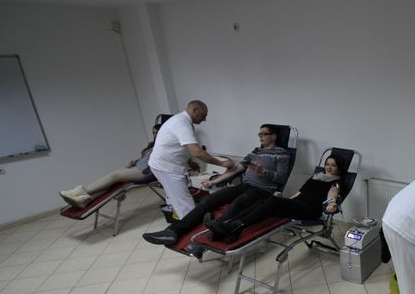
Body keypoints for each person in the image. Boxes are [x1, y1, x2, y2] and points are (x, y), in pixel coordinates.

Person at [141, 125, 290, 246]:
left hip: (263, 190)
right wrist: (214, 181)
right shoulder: (255, 152)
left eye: (264, 134)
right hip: (245, 186)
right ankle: (172, 231)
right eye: (259, 134)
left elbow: (282, 178)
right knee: (208, 201)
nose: (260, 137)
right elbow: (236, 169)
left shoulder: (282, 154)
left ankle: (214, 233)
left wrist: (263, 171)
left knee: (239, 202)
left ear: (274, 136)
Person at [201, 155, 345, 247]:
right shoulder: (316, 177)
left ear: (339, 169)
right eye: (327, 164)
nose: (329, 167)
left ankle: (230, 228)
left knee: (273, 201)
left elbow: (333, 194)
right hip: (298, 205)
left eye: (333, 165)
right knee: (263, 202)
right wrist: (287, 202)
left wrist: (331, 204)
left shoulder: (336, 182)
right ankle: (230, 230)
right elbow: (299, 192)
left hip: (310, 210)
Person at [147, 100, 235, 219]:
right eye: (203, 115)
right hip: (166, 168)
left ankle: (184, 223)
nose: (205, 119)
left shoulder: (182, 121)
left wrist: (189, 162)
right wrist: (222, 163)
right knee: (186, 206)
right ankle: (190, 227)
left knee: (179, 201)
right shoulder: (181, 123)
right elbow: (196, 151)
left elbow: (178, 145)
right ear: (194, 110)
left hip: (165, 165)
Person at [59, 123, 162, 209]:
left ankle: (79, 192)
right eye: (154, 133)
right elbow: (145, 159)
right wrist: (134, 161)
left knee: (115, 176)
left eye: (157, 132)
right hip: (138, 167)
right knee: (112, 179)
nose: (155, 135)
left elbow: (158, 162)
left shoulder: (164, 146)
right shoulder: (152, 145)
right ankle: (85, 200)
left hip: (147, 171)